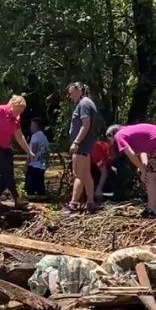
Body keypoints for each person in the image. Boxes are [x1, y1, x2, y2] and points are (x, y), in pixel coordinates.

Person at [0, 95, 34, 208]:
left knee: (7, 173)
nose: (19, 114)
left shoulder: (16, 119)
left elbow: (19, 136)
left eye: (21, 112)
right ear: (13, 106)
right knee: (6, 172)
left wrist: (29, 151)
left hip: (5, 147)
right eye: (18, 111)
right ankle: (17, 199)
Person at [106, 123, 156, 217]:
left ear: (112, 134)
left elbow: (130, 153)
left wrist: (143, 170)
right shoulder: (130, 131)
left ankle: (152, 211)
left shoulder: (119, 136)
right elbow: (143, 151)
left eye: (110, 140)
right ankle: (151, 209)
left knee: (150, 177)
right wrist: (143, 168)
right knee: (151, 176)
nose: (111, 143)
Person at [64, 82, 99, 213]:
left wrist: (76, 142)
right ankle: (90, 202)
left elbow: (86, 124)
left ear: (78, 90)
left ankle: (73, 204)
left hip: (82, 144)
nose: (70, 96)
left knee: (78, 174)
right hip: (86, 144)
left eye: (71, 92)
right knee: (86, 174)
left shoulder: (83, 104)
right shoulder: (87, 102)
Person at [25, 118, 49, 198]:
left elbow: (33, 150)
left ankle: (32, 198)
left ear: (37, 127)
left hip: (35, 164)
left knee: (30, 186)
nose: (31, 127)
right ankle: (41, 197)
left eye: (32, 125)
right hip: (42, 164)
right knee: (40, 184)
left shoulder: (35, 136)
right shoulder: (43, 136)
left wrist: (27, 162)